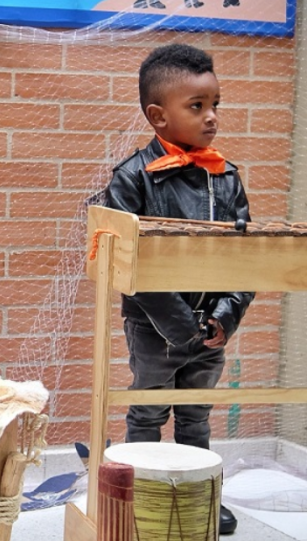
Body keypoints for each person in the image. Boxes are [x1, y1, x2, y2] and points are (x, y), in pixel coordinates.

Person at [105, 42, 253, 536]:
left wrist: (223, 319)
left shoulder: (228, 179)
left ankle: (198, 498)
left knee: (195, 415)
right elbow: (133, 262)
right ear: (157, 115)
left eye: (215, 104)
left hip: (211, 329)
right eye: (197, 106)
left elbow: (247, 258)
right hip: (154, 328)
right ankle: (137, 496)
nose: (211, 117)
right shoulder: (130, 179)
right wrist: (182, 327)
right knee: (147, 410)